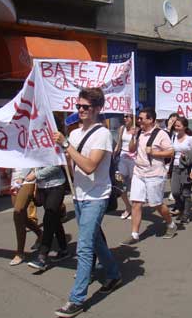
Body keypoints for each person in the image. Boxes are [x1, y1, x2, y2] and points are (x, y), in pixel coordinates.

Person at [52, 88, 121, 318]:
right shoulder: (74, 134)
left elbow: (90, 166)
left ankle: (77, 299)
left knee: (84, 247)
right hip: (79, 195)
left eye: (86, 107)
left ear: (98, 108)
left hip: (96, 197)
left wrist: (66, 147)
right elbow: (71, 163)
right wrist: (62, 152)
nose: (80, 110)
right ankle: (112, 273)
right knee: (95, 241)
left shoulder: (102, 134)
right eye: (78, 106)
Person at [120, 107, 177, 245]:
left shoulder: (161, 134)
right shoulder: (139, 132)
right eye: (138, 118)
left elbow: (170, 152)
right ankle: (134, 234)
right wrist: (133, 136)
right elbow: (132, 149)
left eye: (141, 118)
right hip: (138, 172)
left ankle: (170, 223)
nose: (138, 121)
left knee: (156, 203)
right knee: (136, 203)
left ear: (150, 120)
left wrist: (155, 153)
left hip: (155, 174)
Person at [27, 165, 69, 270]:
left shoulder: (52, 147)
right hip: (42, 187)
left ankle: (42, 257)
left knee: (48, 219)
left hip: (56, 186)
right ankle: (64, 249)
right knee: (54, 219)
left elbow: (56, 165)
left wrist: (36, 175)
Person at [9, 168, 43, 266]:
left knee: (18, 213)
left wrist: (22, 177)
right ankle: (40, 234)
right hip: (14, 178)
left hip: (28, 178)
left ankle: (20, 252)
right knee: (22, 217)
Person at [113, 113, 136, 219]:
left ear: (132, 118)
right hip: (122, 157)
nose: (125, 118)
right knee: (120, 183)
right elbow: (119, 143)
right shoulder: (122, 128)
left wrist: (134, 135)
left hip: (134, 159)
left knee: (133, 185)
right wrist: (114, 152)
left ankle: (135, 210)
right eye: (124, 116)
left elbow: (134, 148)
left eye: (127, 116)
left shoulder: (137, 129)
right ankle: (128, 207)